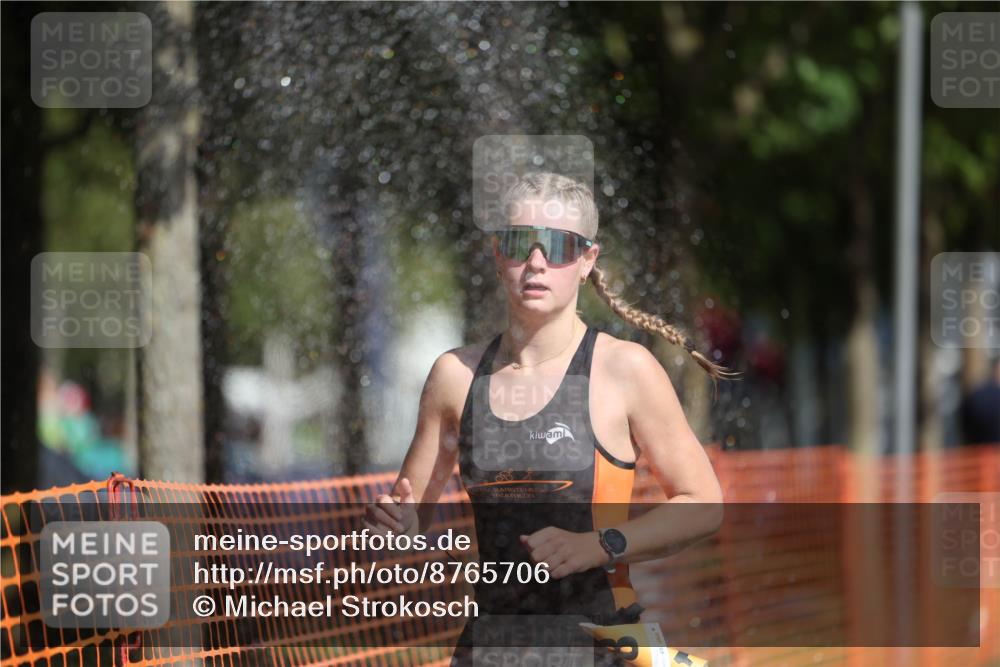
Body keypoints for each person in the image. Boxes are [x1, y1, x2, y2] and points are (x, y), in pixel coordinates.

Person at [365, 172, 732, 665]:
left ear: (587, 261)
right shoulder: (455, 376)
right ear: (498, 254)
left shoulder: (624, 370)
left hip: (601, 644)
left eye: (559, 247)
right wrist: (395, 527)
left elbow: (704, 504)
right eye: (520, 244)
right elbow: (410, 523)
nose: (536, 262)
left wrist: (599, 545)